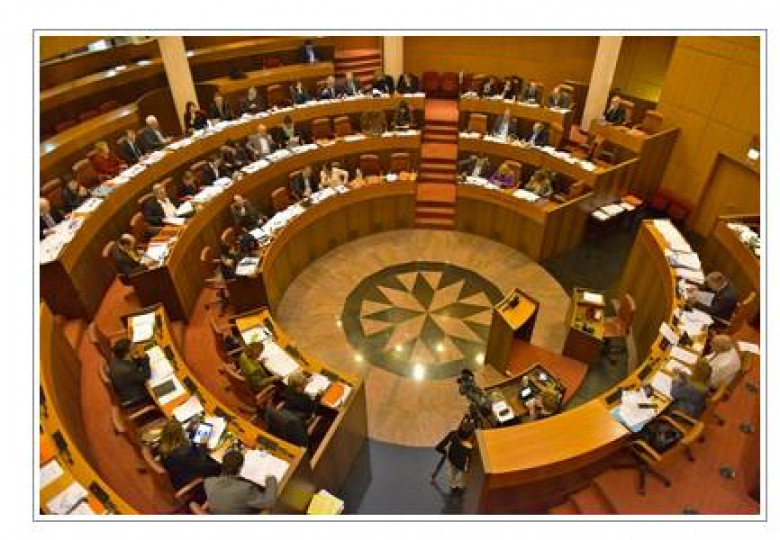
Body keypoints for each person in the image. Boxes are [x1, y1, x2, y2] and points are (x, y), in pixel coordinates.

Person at [204, 449, 278, 514]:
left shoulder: (208, 482)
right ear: (240, 468)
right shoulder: (245, 489)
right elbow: (269, 502)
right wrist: (271, 479)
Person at [158, 419, 221, 492]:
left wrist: (189, 429)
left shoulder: (163, 446)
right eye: (182, 432)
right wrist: (203, 442)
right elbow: (202, 462)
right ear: (180, 436)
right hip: (190, 480)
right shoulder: (184, 452)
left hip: (178, 476)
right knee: (220, 465)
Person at [107, 338, 151, 408]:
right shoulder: (128, 370)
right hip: (136, 397)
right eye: (133, 348)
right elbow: (146, 375)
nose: (136, 349)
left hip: (126, 387)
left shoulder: (116, 359)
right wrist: (144, 357)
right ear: (127, 353)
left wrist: (141, 359)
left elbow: (133, 362)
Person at [434, 424, 474, 494]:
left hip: (454, 459)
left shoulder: (453, 434)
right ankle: (458, 485)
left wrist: (441, 449)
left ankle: (454, 485)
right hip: (459, 461)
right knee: (458, 474)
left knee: (454, 473)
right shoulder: (469, 444)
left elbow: (442, 444)